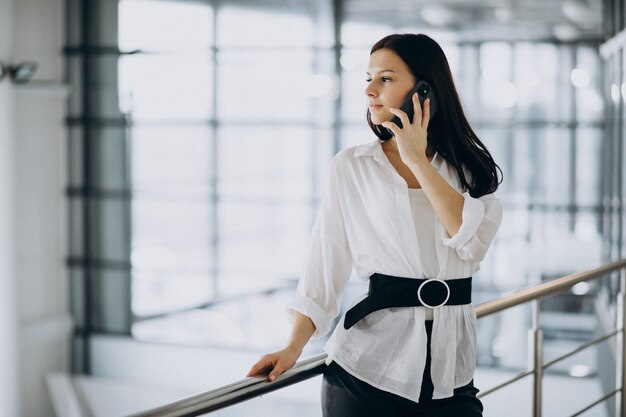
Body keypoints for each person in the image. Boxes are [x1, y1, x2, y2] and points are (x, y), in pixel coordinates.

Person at [247, 33, 503, 417]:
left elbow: (472, 243)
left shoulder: (469, 169)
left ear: (424, 89)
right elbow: (325, 261)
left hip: (452, 374)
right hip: (365, 371)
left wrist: (417, 159)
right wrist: (293, 347)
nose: (369, 90)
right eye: (368, 78)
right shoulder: (352, 165)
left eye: (385, 78)